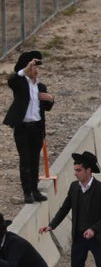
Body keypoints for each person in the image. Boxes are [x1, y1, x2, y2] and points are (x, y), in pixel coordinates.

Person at [40, 151, 101, 267]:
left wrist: (93, 229)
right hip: (79, 236)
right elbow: (65, 208)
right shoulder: (74, 187)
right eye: (75, 170)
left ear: (89, 170)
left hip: (98, 237)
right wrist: (51, 225)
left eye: (79, 170)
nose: (75, 174)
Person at [6, 51, 54, 204]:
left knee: (34, 160)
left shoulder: (40, 86)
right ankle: (27, 192)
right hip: (22, 128)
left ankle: (35, 189)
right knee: (25, 160)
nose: (36, 70)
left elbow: (47, 108)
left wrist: (51, 99)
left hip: (37, 127)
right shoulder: (20, 83)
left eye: (36, 68)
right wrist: (24, 70)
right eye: (33, 67)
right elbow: (12, 81)